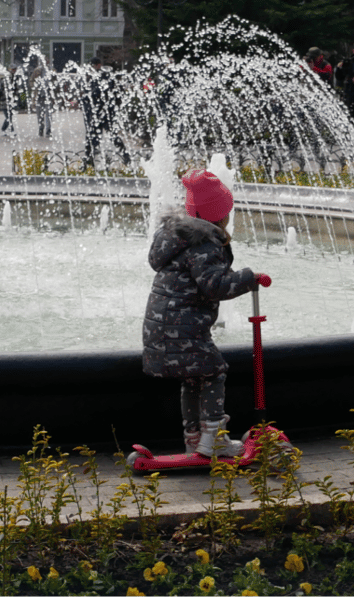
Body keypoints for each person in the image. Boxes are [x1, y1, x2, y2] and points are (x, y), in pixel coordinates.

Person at [143, 170, 271, 458]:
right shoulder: (204, 243)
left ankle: (194, 438)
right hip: (184, 331)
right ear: (220, 214)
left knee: (192, 379)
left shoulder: (177, 239)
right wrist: (249, 277)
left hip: (160, 330)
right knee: (214, 372)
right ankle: (214, 437)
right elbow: (215, 286)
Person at [82, 58, 130, 169]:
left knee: (92, 136)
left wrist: (87, 99)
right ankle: (126, 156)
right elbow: (118, 97)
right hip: (106, 113)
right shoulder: (110, 79)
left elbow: (94, 94)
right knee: (108, 136)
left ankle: (88, 161)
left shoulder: (100, 79)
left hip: (99, 113)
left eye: (93, 66)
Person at [29, 58, 51, 138]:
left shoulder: (51, 70)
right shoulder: (37, 70)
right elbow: (31, 80)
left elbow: (56, 83)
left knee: (49, 115)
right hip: (38, 96)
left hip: (48, 96)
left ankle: (48, 131)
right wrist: (34, 87)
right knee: (39, 114)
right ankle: (41, 128)